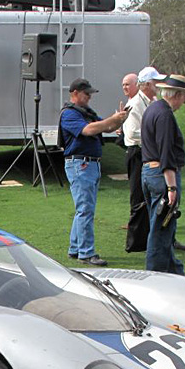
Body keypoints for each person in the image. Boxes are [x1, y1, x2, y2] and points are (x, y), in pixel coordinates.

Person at [59, 77, 128, 267]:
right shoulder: (69, 114)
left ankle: (75, 249)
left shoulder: (86, 113)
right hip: (80, 165)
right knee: (85, 210)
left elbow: (107, 127)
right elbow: (89, 130)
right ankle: (86, 253)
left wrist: (119, 119)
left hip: (89, 165)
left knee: (84, 208)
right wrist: (111, 120)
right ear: (74, 93)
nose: (89, 96)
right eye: (86, 93)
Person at [140, 74, 185, 275]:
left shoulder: (153, 109)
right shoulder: (164, 115)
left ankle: (175, 272)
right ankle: (155, 276)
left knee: (163, 227)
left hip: (149, 173)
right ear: (178, 95)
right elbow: (166, 152)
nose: (184, 103)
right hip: (160, 176)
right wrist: (172, 187)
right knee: (161, 230)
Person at [122, 67, 165, 253]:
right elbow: (131, 132)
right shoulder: (135, 103)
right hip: (137, 153)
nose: (158, 86)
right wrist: (155, 136)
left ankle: (158, 237)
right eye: (155, 83)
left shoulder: (152, 101)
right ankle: (135, 243)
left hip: (148, 152)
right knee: (138, 197)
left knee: (154, 197)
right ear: (147, 85)